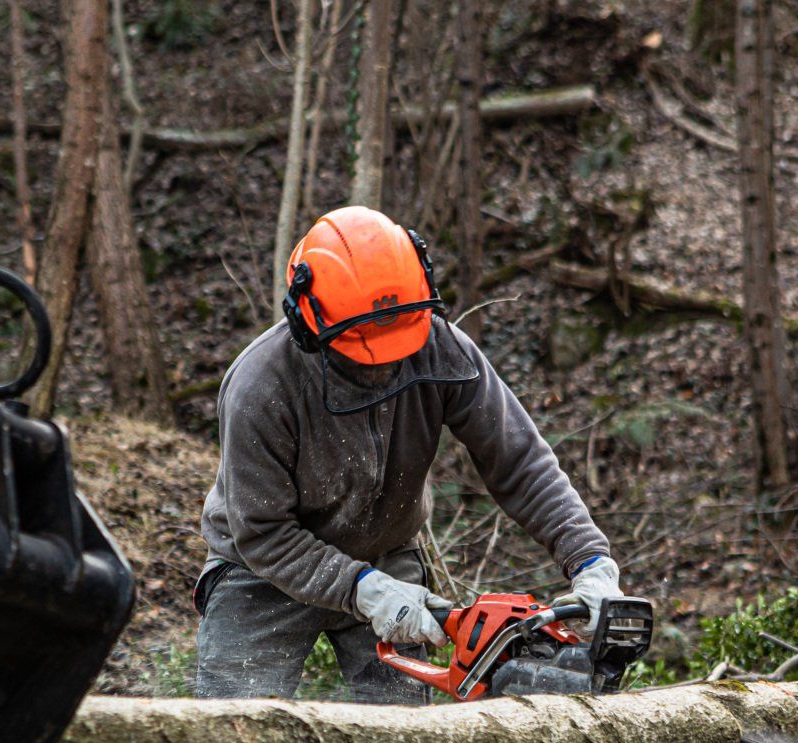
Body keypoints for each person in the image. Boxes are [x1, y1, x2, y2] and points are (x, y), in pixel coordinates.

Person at [194, 205, 626, 703]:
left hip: (386, 552)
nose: (386, 364)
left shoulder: (441, 349)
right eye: (365, 346)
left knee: (406, 727)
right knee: (236, 720)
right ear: (308, 322)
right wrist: (361, 588)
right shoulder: (261, 387)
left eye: (399, 338)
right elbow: (262, 531)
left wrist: (590, 560)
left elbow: (520, 462)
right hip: (265, 569)